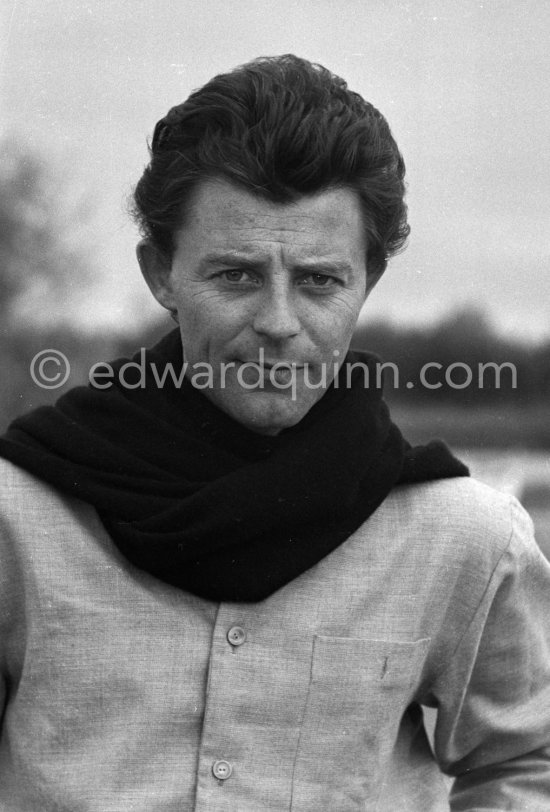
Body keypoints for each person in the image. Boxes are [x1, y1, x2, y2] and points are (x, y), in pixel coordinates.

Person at [0, 54, 549, 812]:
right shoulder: (17, 517)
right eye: (235, 275)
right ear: (160, 272)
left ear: (368, 281)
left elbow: (529, 759)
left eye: (320, 280)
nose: (279, 324)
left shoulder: (465, 540)